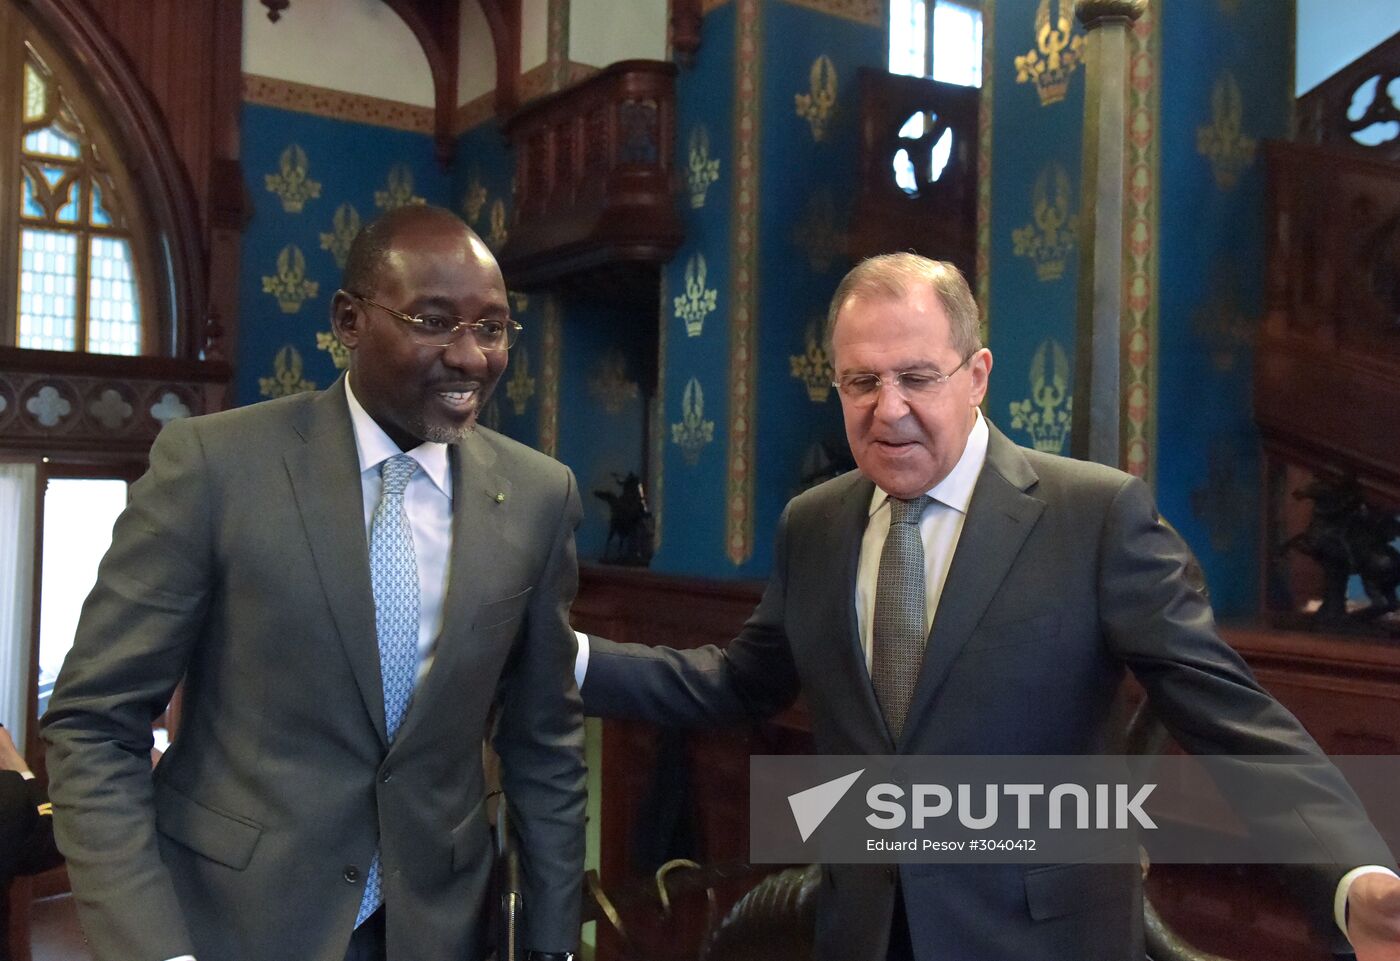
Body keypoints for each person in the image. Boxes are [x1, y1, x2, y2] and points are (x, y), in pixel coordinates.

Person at [578, 254, 1400, 961]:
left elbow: (1232, 718)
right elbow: (737, 682)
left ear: (976, 376)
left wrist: (1349, 875)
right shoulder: (816, 523)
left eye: (916, 377)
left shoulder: (1094, 515)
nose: (887, 407)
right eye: (861, 381)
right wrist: (570, 656)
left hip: (1043, 938)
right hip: (864, 931)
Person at [42, 206, 586, 961]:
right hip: (232, 925)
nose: (470, 356)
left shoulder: (539, 496)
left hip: (440, 928)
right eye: (433, 321)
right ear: (349, 320)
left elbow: (545, 748)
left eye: (491, 329)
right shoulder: (214, 467)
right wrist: (152, 948)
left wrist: (551, 948)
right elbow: (95, 723)